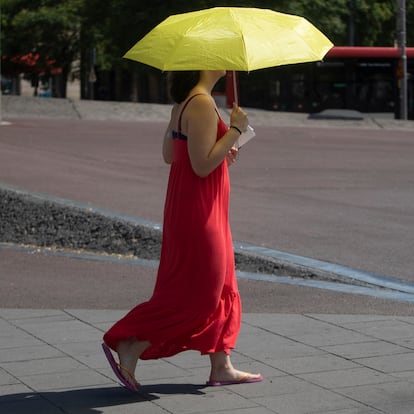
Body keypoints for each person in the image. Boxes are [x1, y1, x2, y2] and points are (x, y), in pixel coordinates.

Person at [102, 70, 262, 391]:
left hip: (196, 207)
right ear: (206, 63)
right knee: (201, 294)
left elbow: (172, 156)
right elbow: (201, 165)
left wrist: (223, 151)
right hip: (200, 212)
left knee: (223, 284)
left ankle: (222, 365)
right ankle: (133, 342)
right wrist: (235, 130)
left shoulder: (184, 104)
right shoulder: (201, 103)